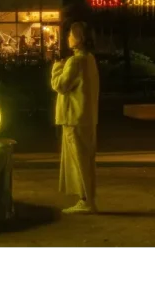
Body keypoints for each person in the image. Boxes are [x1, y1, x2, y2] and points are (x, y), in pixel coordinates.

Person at [51, 21, 100, 214]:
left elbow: (60, 86)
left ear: (78, 38)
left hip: (73, 117)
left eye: (70, 34)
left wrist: (56, 67)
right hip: (86, 116)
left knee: (78, 160)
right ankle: (88, 199)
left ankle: (85, 200)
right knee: (86, 159)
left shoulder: (74, 61)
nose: (67, 38)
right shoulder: (89, 59)